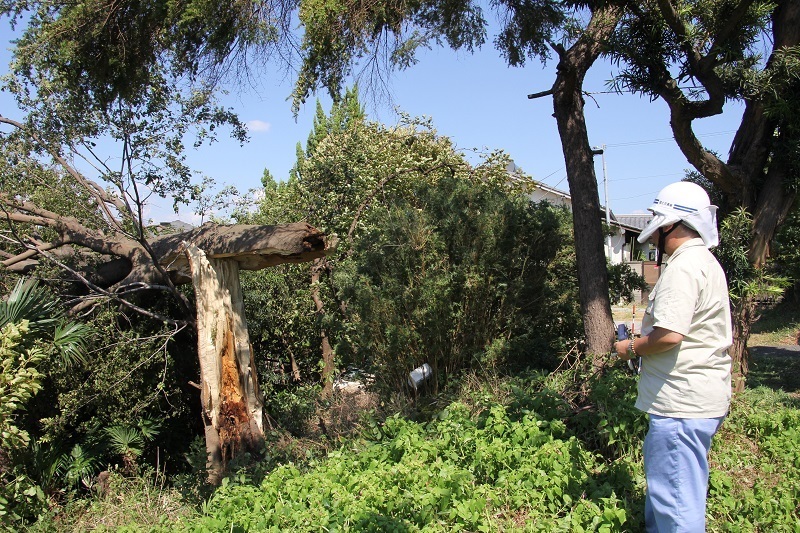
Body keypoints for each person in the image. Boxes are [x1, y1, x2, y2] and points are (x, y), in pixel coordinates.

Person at [613, 181, 732, 532]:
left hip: (681, 404)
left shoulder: (683, 266)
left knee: (677, 503)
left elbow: (671, 335)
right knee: (672, 491)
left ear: (670, 225)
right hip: (695, 398)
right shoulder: (703, 261)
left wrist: (631, 347)